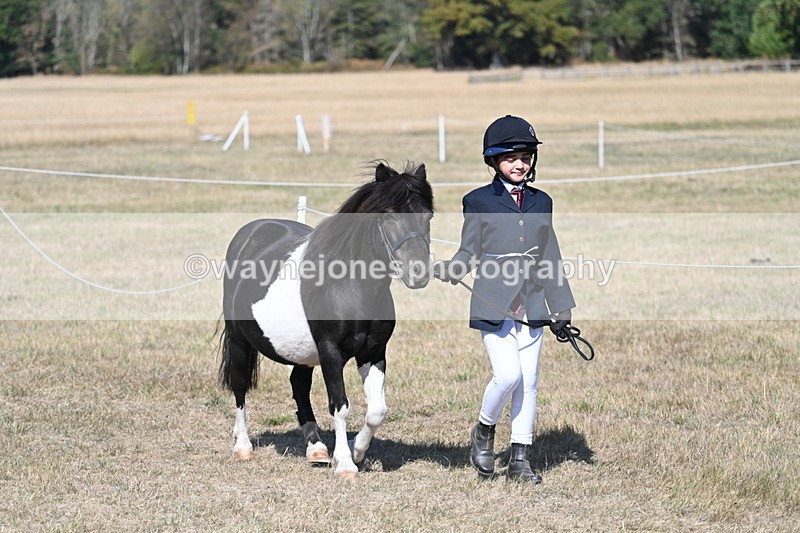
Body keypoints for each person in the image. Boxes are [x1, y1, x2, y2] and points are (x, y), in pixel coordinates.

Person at [433, 115, 575, 483]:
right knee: (507, 374)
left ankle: (520, 458)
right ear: (494, 161)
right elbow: (468, 251)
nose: (520, 164)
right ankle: (483, 429)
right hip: (492, 301)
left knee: (528, 380)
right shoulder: (478, 201)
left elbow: (550, 255)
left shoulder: (542, 201)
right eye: (511, 158)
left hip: (533, 303)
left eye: (526, 157)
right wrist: (453, 269)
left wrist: (562, 308)